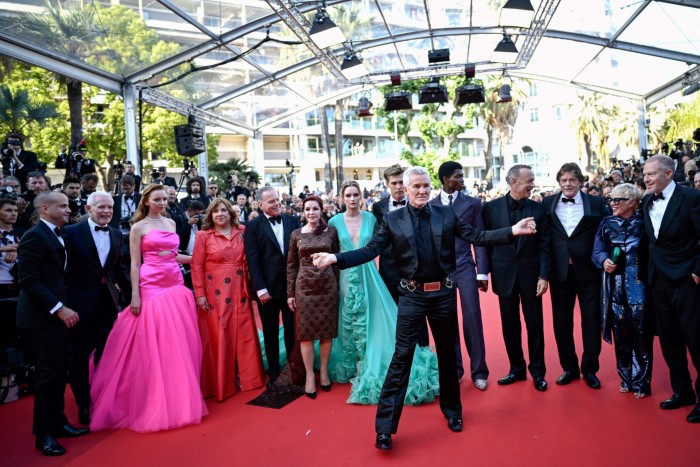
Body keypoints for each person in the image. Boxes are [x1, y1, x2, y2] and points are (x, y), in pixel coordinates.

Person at [312, 167, 536, 451]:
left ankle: (453, 411)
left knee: (446, 354)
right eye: (416, 186)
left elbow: (476, 235)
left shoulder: (445, 214)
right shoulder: (393, 220)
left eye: (426, 186)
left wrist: (512, 231)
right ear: (405, 189)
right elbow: (370, 251)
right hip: (412, 297)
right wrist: (335, 257)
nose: (422, 191)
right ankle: (385, 429)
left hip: (442, 294)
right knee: (401, 358)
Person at [90, 184, 207, 432]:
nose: (162, 203)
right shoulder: (138, 227)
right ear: (146, 201)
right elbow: (134, 264)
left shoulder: (172, 223)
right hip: (151, 285)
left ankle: (178, 393)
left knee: (176, 342)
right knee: (153, 341)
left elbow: (174, 255)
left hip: (175, 283)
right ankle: (152, 395)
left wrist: (200, 256)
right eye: (157, 199)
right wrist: (135, 295)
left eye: (164, 199)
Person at [328, 181, 439, 404]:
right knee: (348, 320)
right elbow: (331, 251)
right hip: (346, 278)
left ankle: (371, 362)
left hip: (370, 275)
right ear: (342, 198)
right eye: (347, 195)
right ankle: (351, 364)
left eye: (355, 195)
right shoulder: (333, 221)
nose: (351, 199)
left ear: (361, 197)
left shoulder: (371, 218)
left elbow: (383, 244)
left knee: (375, 320)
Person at [17, 192, 88, 456]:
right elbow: (29, 281)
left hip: (57, 315)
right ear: (45, 208)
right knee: (48, 376)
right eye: (64, 205)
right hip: (40, 318)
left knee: (59, 373)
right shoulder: (34, 237)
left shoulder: (59, 234)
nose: (69, 210)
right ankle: (43, 434)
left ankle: (58, 423)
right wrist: (59, 309)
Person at [641, 155, 700, 423]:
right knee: (670, 341)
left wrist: (698, 270)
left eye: (651, 174)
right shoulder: (646, 200)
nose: (646, 179)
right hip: (658, 281)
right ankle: (682, 391)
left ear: (667, 173)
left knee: (696, 340)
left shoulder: (690, 198)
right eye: (644, 175)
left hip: (687, 280)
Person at [542, 162, 610, 390]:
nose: (568, 184)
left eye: (572, 180)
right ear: (559, 182)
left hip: (589, 270)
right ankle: (569, 368)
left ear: (580, 181)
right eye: (564, 180)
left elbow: (607, 231)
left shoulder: (597, 203)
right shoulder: (548, 203)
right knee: (562, 323)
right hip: (560, 272)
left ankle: (590, 368)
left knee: (591, 321)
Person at [483, 165, 550, 392]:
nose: (533, 184)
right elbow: (485, 242)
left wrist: (543, 275)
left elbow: (544, 246)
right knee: (509, 326)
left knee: (535, 326)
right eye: (529, 180)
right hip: (504, 276)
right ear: (513, 182)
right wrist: (483, 272)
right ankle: (516, 369)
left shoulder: (539, 209)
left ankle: (538, 372)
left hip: (532, 276)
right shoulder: (490, 209)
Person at [191, 198, 264, 401]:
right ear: (210, 215)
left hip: (240, 289)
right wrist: (200, 295)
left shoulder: (242, 231)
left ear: (230, 212)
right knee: (220, 333)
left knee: (245, 330)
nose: (220, 214)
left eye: (223, 210)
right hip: (215, 292)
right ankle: (224, 381)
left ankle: (249, 377)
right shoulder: (203, 236)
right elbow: (196, 267)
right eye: (215, 212)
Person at [64, 192, 126, 426]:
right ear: (89, 208)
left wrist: (133, 298)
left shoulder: (116, 233)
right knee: (78, 355)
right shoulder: (70, 233)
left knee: (105, 353)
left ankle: (104, 397)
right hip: (78, 304)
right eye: (101, 207)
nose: (107, 212)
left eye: (110, 208)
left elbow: (117, 270)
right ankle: (83, 404)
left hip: (107, 304)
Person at [430, 161, 490, 390]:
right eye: (458, 176)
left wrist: (482, 271)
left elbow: (480, 239)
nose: (462, 179)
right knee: (446, 320)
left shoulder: (473, 204)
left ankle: (480, 371)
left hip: (465, 266)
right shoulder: (431, 205)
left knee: (472, 316)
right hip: (441, 270)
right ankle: (454, 369)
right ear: (446, 179)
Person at [592, 183, 652, 398]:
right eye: (611, 200)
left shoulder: (645, 223)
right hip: (615, 287)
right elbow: (597, 251)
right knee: (621, 333)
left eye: (617, 200)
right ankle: (625, 378)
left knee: (641, 334)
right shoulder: (606, 223)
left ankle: (642, 383)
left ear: (632, 202)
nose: (612, 204)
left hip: (640, 286)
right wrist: (604, 260)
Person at [244, 186, 300, 385]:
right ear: (260, 205)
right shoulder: (252, 227)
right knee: (270, 332)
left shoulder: (293, 221)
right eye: (271, 201)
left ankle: (293, 369)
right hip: (266, 288)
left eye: (277, 200)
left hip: (291, 288)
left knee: (292, 331)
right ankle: (274, 372)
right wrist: (260, 288)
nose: (277, 203)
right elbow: (253, 259)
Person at [287, 195, 339, 398]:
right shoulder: (296, 234)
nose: (311, 213)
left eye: (315, 209)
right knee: (305, 333)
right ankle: (310, 375)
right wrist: (290, 294)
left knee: (327, 332)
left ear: (321, 210)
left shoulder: (331, 232)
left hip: (327, 288)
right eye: (307, 209)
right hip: (304, 289)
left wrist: (337, 287)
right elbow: (291, 266)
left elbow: (337, 261)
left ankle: (324, 371)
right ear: (303, 212)